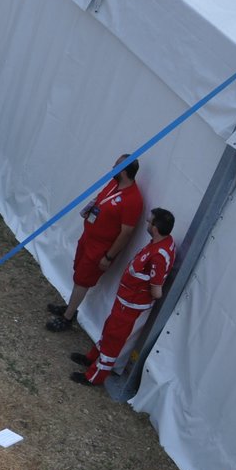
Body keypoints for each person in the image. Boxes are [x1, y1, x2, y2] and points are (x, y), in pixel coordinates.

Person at [71, 208, 176, 385]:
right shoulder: (159, 244)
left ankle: (94, 376)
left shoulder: (159, 255)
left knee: (113, 340)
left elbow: (156, 291)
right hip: (125, 301)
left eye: (149, 222)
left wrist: (138, 293)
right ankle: (92, 358)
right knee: (108, 330)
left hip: (131, 305)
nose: (147, 224)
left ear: (156, 228)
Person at [47, 155, 146, 332]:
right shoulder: (114, 185)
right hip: (88, 238)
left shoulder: (133, 200)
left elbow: (126, 232)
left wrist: (108, 256)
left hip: (100, 248)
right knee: (79, 274)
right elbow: (100, 200)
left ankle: (67, 317)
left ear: (123, 171)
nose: (112, 167)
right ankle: (70, 307)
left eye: (116, 165)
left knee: (83, 280)